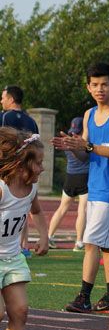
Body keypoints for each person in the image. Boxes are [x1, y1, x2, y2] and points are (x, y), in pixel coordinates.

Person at [52, 63, 109, 313]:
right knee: (107, 247)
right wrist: (74, 146)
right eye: (95, 85)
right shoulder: (88, 115)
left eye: (105, 84)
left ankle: (84, 297)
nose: (100, 89)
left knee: (91, 243)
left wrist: (87, 147)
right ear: (88, 87)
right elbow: (87, 155)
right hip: (95, 186)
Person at [0, 129, 48, 330]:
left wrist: (44, 236)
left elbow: (37, 212)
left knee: (20, 310)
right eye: (38, 163)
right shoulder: (2, 188)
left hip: (13, 257)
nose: (42, 168)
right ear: (22, 164)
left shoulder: (30, 189)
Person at [2, 85, 40, 257]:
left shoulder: (4, 117)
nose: (1, 101)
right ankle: (22, 245)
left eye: (3, 97)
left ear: (11, 99)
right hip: (26, 172)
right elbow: (35, 145)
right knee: (22, 204)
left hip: (7, 171)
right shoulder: (30, 120)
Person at [47, 117, 89, 251]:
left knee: (62, 208)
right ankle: (79, 242)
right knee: (82, 210)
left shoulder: (67, 142)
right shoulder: (84, 142)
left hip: (70, 177)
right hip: (84, 177)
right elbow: (87, 156)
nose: (75, 134)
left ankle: (49, 237)